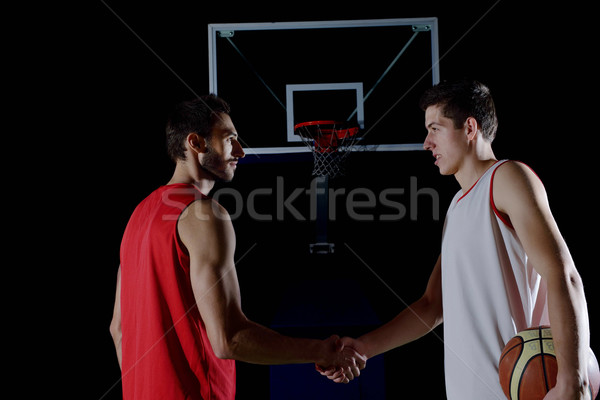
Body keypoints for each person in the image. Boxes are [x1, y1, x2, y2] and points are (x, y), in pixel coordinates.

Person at [321, 79, 592, 399]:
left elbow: (564, 275)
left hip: (517, 388)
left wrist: (573, 380)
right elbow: (433, 305)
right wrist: (364, 347)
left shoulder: (506, 177)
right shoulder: (457, 207)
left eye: (435, 128)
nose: (426, 143)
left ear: (470, 128)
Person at [109, 94, 366, 399]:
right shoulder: (204, 214)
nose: (241, 152)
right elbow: (229, 339)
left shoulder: (138, 216)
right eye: (230, 139)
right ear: (197, 143)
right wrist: (321, 351)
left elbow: (119, 330)